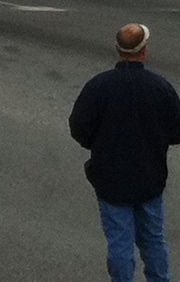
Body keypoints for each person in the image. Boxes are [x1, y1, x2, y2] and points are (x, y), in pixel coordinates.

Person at [70, 23, 180, 282]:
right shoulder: (160, 87)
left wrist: (99, 146)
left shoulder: (99, 86)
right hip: (149, 178)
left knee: (120, 242)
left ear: (118, 50)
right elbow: (177, 129)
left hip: (111, 180)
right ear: (144, 51)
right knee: (153, 239)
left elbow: (79, 126)